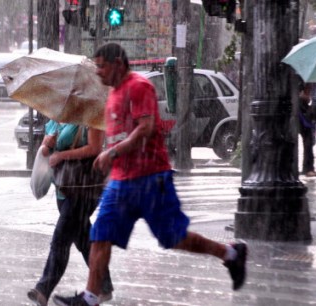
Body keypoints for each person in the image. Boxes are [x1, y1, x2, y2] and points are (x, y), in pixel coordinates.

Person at [53, 43, 247, 306]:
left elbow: (145, 128)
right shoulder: (112, 96)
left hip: (150, 178)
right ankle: (90, 296)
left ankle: (230, 253)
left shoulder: (139, 87)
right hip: (121, 181)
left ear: (118, 64)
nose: (97, 72)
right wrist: (110, 161)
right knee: (100, 233)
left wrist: (113, 152)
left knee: (174, 238)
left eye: (101, 66)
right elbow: (118, 136)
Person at [27, 119, 113, 306]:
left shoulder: (89, 117)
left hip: (84, 188)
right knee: (83, 239)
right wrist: (46, 145)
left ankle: (43, 289)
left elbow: (95, 148)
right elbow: (45, 153)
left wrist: (63, 155)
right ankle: (104, 285)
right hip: (63, 187)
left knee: (61, 238)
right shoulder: (55, 121)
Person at [298, 83, 316, 177]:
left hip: (303, 115)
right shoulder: (302, 82)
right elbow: (305, 97)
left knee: (308, 143)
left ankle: (308, 168)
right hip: (300, 115)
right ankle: (308, 168)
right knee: (308, 142)